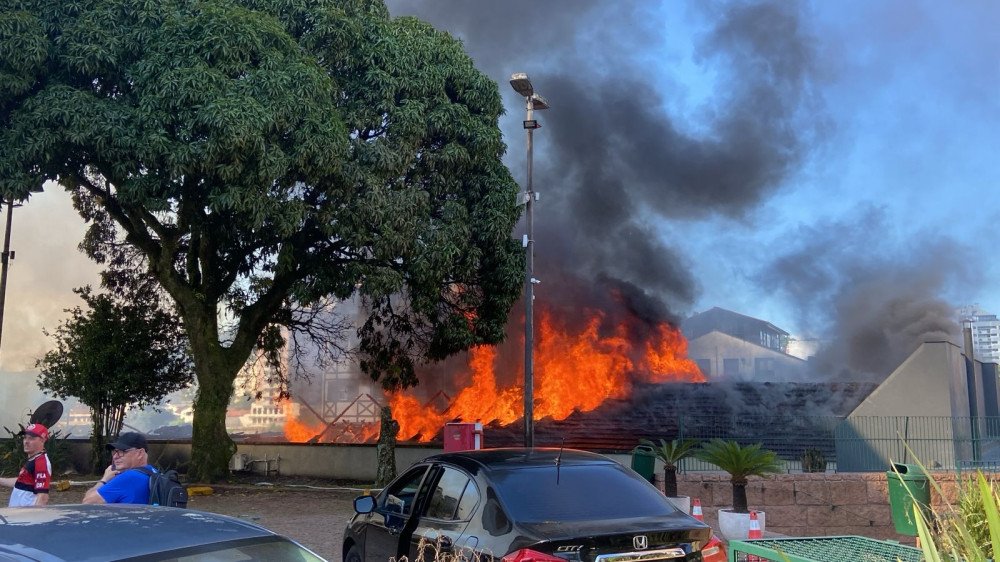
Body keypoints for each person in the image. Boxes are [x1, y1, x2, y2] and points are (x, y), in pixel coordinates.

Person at [83, 432, 157, 504]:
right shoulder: (154, 473)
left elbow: (87, 502)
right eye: (114, 452)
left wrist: (104, 480)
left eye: (122, 451)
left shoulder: (129, 477)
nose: (115, 456)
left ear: (140, 453)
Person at [0, 423, 52, 507]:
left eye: (31, 438)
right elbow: (21, 482)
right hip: (19, 513)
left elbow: (43, 497)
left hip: (26, 514)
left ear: (42, 440)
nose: (26, 442)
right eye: (25, 438)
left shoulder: (41, 462)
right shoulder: (34, 459)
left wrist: (35, 514)